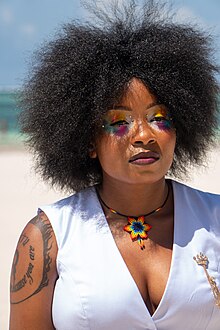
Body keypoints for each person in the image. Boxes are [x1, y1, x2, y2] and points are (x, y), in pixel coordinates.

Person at [10, 1, 220, 329]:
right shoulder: (49, 236)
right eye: (119, 121)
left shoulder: (215, 220)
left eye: (159, 118)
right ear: (88, 140)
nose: (144, 135)